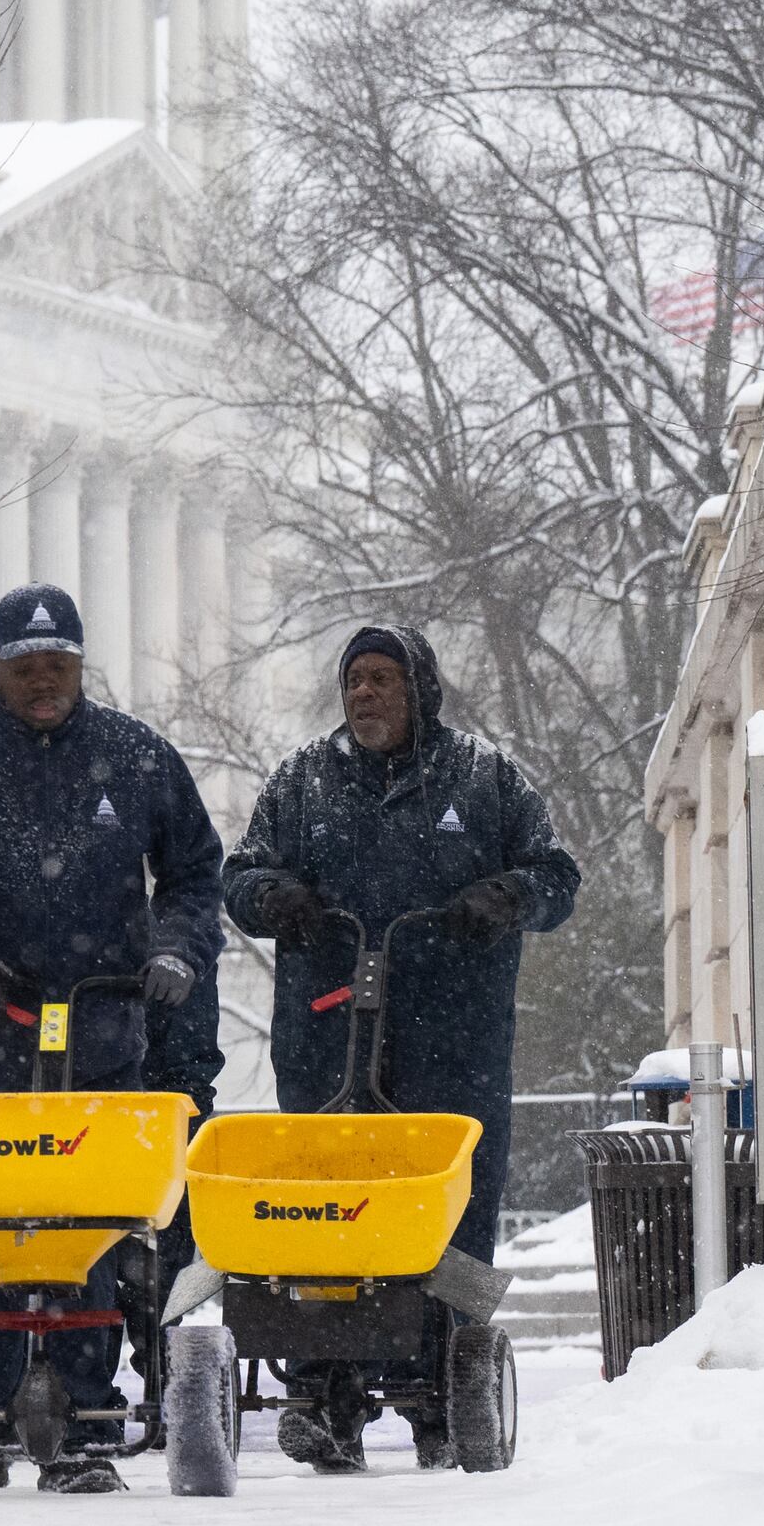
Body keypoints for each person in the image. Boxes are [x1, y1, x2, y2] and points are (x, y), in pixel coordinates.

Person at [0, 585, 224, 1495]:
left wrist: (176, 947)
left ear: (80, 664)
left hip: (100, 1035)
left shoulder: (136, 756)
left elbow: (194, 873)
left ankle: (90, 1417)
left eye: (58, 663)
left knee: (92, 1225)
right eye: (26, 665)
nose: (43, 679)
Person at [220, 622, 581, 1474]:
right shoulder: (302, 779)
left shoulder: (486, 776)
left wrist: (504, 895)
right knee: (326, 1205)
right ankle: (324, 1391)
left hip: (454, 1041)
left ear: (420, 690)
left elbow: (558, 875)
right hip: (328, 1037)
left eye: (382, 678)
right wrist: (275, 896)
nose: (365, 693)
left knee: (448, 1205)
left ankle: (441, 1388)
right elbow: (239, 874)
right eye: (355, 680)